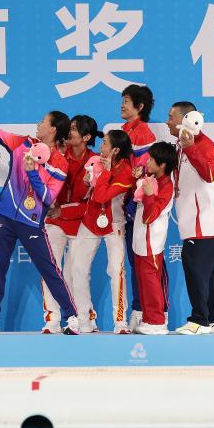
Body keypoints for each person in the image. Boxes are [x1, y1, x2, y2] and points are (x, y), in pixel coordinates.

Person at [0, 93, 82, 335]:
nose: (38, 124)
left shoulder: (60, 163)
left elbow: (48, 197)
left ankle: (71, 317)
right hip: (6, 216)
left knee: (49, 270)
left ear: (53, 129)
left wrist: (33, 172)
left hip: (31, 223)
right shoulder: (23, 143)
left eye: (43, 121)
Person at [165, 102, 214, 335]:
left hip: (202, 222)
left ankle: (199, 320)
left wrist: (192, 148)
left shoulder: (203, 145)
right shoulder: (181, 146)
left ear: (187, 119)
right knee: (212, 272)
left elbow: (210, 174)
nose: (167, 122)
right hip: (194, 222)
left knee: (196, 271)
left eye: (171, 117)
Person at [66, 130, 135, 334]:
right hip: (90, 221)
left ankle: (120, 322)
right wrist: (88, 181)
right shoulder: (96, 161)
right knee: (78, 268)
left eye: (104, 143)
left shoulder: (126, 172)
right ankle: (84, 318)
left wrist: (103, 173)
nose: (100, 147)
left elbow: (101, 196)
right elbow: (86, 193)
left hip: (114, 226)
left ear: (115, 150)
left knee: (116, 271)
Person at [41, 115, 101, 334]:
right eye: (69, 127)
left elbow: (92, 202)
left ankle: (84, 317)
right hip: (54, 220)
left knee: (77, 272)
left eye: (74, 129)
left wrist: (63, 210)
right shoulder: (56, 155)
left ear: (86, 137)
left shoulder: (95, 162)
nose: (69, 131)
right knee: (50, 269)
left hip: (82, 223)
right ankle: (53, 318)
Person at [119, 85, 162, 332]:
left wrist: (131, 201)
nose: (122, 105)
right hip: (122, 207)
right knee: (132, 262)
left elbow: (144, 174)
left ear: (140, 106)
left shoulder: (143, 133)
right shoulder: (124, 130)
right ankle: (138, 311)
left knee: (141, 263)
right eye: (122, 100)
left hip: (136, 207)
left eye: (127, 101)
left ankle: (146, 312)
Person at [131, 142, 177, 335]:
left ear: (162, 165)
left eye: (151, 160)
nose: (147, 162)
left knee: (151, 281)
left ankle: (157, 321)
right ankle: (148, 319)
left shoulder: (167, 187)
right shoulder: (150, 178)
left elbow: (149, 216)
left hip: (151, 242)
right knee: (142, 280)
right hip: (140, 240)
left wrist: (149, 195)